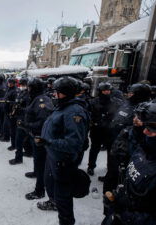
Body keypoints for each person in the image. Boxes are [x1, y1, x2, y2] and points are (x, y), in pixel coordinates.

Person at [103, 96, 156, 225]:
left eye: (153, 128)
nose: (145, 131)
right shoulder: (147, 146)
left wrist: (125, 215)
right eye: (145, 125)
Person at [39, 77, 90, 225]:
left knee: (63, 198)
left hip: (64, 161)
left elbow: (73, 143)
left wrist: (48, 141)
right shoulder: (62, 106)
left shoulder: (74, 111)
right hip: (54, 156)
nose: (54, 95)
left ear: (66, 93)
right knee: (52, 185)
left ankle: (66, 221)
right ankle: (53, 203)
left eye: (57, 92)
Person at [21, 78, 53, 200]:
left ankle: (39, 190)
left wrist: (26, 125)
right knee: (37, 159)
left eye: (29, 87)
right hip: (34, 136)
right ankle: (36, 173)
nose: (28, 89)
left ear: (34, 88)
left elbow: (42, 122)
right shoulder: (35, 98)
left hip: (41, 137)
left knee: (41, 163)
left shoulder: (42, 100)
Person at [87, 82, 122, 176]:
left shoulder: (117, 102)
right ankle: (91, 166)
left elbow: (120, 115)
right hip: (97, 130)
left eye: (108, 90)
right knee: (94, 149)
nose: (106, 92)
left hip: (110, 130)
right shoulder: (93, 102)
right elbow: (88, 114)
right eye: (104, 90)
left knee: (111, 151)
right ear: (100, 91)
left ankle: (110, 167)